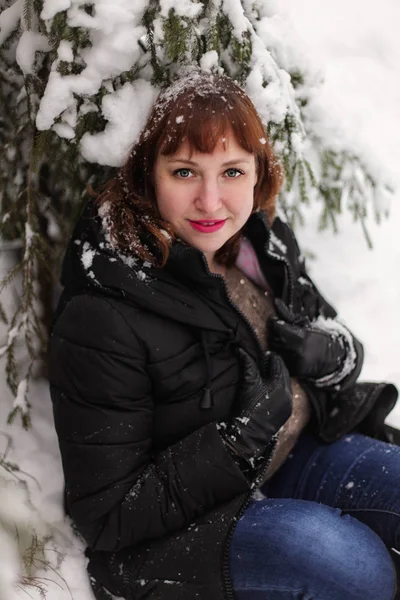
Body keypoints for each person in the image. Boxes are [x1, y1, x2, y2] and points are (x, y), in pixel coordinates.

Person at [49, 69, 400, 600]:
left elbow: (335, 340)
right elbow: (107, 517)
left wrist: (328, 353)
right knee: (354, 568)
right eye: (185, 172)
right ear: (148, 176)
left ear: (259, 173)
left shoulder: (262, 242)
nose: (212, 202)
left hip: (294, 455)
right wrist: (238, 443)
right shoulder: (104, 311)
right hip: (178, 532)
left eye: (232, 171)